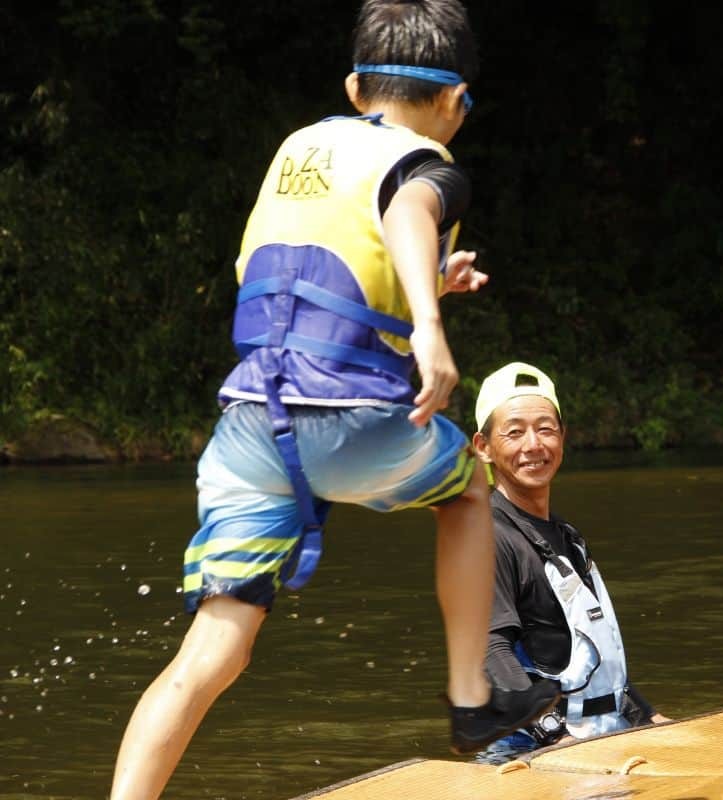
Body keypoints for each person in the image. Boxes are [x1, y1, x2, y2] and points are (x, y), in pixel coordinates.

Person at [110, 3, 558, 797]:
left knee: (210, 656)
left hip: (251, 425)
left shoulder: (296, 148)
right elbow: (406, 211)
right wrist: (427, 323)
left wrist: (427, 288)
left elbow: (291, 278)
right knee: (470, 489)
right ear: (457, 102)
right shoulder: (430, 163)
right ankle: (471, 699)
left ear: (355, 87)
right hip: (352, 424)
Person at [470, 362, 668, 757]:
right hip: (527, 754)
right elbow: (489, 650)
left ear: (563, 438)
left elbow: (595, 670)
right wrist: (555, 739)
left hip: (599, 739)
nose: (533, 445)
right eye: (514, 432)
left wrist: (649, 718)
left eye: (545, 428)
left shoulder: (566, 538)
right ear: (484, 447)